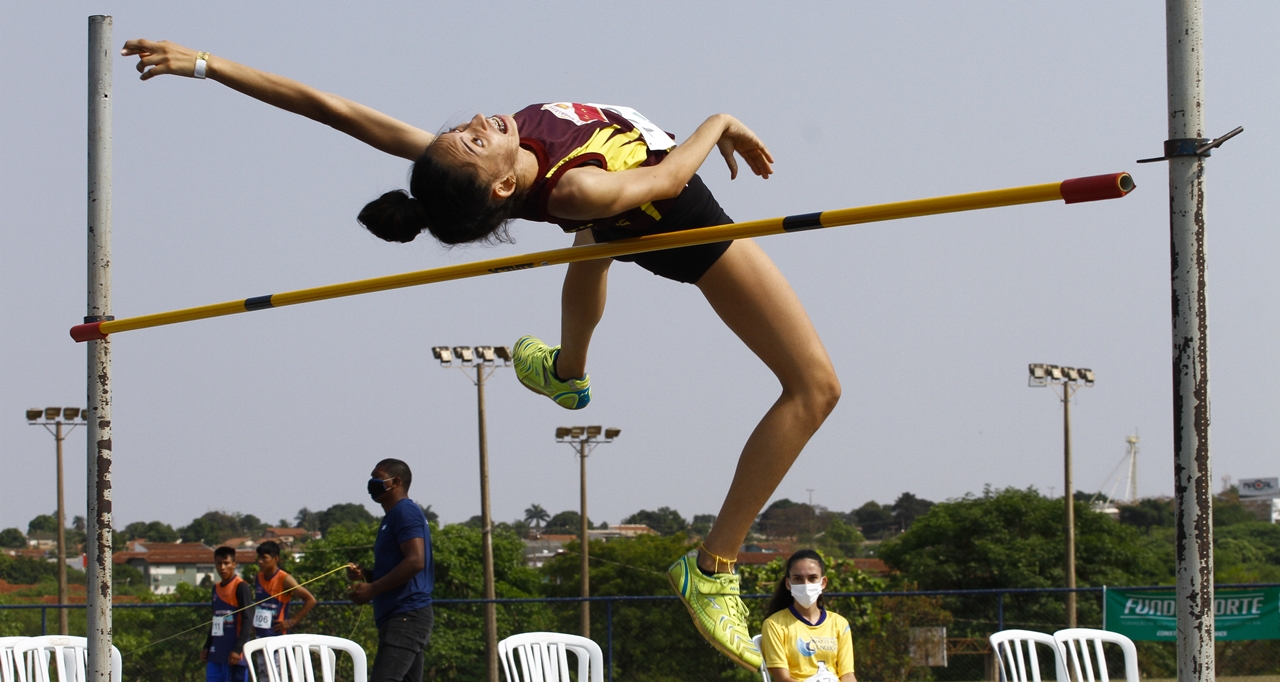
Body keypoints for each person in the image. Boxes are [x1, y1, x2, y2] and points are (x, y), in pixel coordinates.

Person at [120, 39, 841, 671]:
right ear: (499, 184)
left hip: (613, 215)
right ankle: (712, 567)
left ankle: (564, 371)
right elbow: (667, 180)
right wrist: (718, 122)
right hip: (682, 222)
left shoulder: (486, 166)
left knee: (591, 249)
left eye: (459, 131)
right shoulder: (579, 187)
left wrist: (207, 66)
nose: (471, 125)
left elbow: (330, 108)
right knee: (815, 388)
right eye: (471, 142)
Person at [345, 459, 434, 682]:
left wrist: (372, 589)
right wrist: (366, 574)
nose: (371, 483)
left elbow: (416, 561)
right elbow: (398, 568)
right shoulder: (392, 516)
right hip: (400, 616)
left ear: (395, 482)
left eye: (377, 477)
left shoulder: (405, 511)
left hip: (406, 615)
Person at [760, 550, 856, 682]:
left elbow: (848, 676)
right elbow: (782, 679)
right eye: (798, 578)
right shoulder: (774, 624)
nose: (806, 585)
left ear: (823, 582)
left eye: (812, 578)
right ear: (788, 584)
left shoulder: (840, 624)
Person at [249, 540, 317, 679]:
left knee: (277, 677)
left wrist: (291, 621)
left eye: (264, 558)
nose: (260, 562)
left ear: (276, 559)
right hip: (260, 636)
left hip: (277, 637)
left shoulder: (285, 579)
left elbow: (310, 600)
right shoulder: (259, 577)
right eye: (259, 558)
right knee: (263, 677)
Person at [202, 546, 253, 682]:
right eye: (219, 563)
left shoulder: (241, 586)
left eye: (226, 563)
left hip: (234, 655)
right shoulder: (216, 588)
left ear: (234, 564)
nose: (222, 567)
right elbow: (215, 620)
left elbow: (248, 619)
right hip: (216, 653)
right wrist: (207, 645)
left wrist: (237, 649)